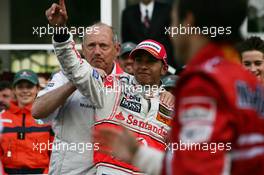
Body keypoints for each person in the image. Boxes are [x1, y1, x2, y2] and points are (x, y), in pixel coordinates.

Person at [93, 0, 264, 175]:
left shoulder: (203, 80)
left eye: (172, 23)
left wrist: (140, 157)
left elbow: (194, 168)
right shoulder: (247, 80)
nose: (171, 34)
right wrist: (138, 154)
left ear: (187, 22)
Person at [33, 1, 174, 175]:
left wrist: (165, 94)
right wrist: (77, 82)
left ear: (116, 49)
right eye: (91, 46)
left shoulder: (129, 83)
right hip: (71, 170)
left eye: (103, 46)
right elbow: (37, 111)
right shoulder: (68, 76)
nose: (97, 52)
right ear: (83, 49)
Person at [0, 70, 52, 174]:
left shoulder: (48, 117)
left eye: (29, 86)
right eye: (20, 87)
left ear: (37, 89)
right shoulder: (2, 117)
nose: (25, 91)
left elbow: (56, 152)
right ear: (14, 90)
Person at [121, 0, 176, 68]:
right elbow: (126, 41)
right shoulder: (128, 12)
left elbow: (172, 38)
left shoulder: (167, 10)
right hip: (137, 64)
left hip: (162, 63)